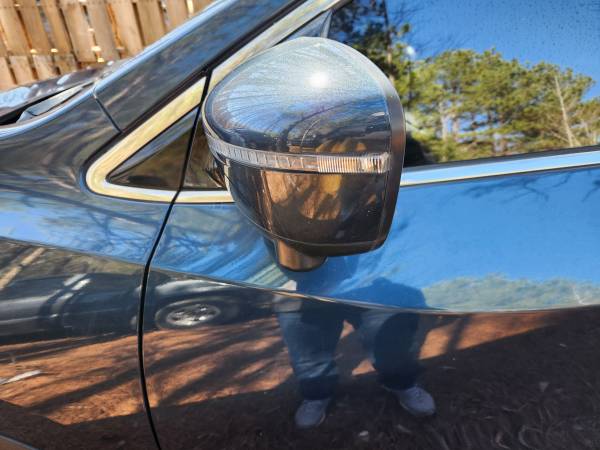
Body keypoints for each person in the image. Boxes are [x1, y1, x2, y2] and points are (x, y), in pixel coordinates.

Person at [276, 278, 435, 429]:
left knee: (393, 348)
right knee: (308, 356)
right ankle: (316, 395)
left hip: (372, 282)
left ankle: (402, 384)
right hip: (298, 290)